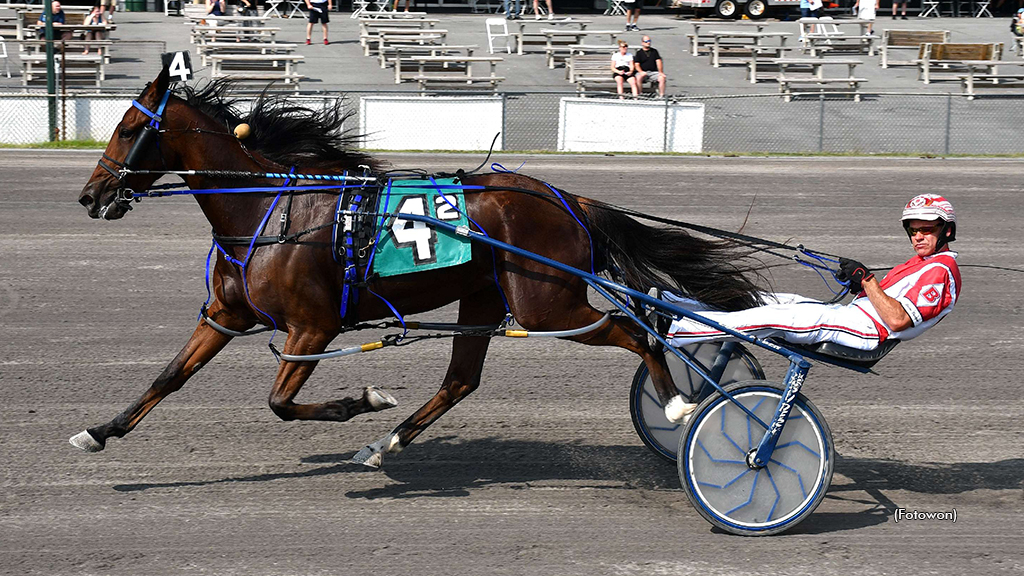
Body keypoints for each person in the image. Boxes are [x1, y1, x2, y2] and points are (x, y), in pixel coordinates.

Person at [664, 193, 961, 353]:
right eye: (913, 230)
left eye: (927, 229)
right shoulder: (922, 263)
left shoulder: (940, 270)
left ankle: (676, 331)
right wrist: (859, 284)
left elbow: (897, 320)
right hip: (852, 317)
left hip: (867, 333)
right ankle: (675, 303)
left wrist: (868, 280)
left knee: (775, 317)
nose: (918, 236)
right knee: (773, 300)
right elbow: (881, 301)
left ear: (946, 230)